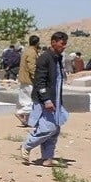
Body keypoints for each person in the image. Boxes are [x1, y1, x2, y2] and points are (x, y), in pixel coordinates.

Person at [21, 32, 70, 167]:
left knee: (55, 130)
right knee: (48, 128)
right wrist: (46, 100)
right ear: (53, 42)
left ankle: (47, 158)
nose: (64, 47)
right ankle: (26, 145)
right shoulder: (45, 58)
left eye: (65, 44)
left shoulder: (57, 58)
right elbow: (40, 81)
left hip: (55, 99)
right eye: (62, 44)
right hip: (46, 100)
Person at [16, 35, 40, 126]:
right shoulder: (32, 52)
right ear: (37, 43)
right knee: (30, 99)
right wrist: (36, 78)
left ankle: (26, 120)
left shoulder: (26, 51)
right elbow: (32, 67)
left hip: (23, 79)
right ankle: (20, 113)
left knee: (24, 99)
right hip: (29, 80)